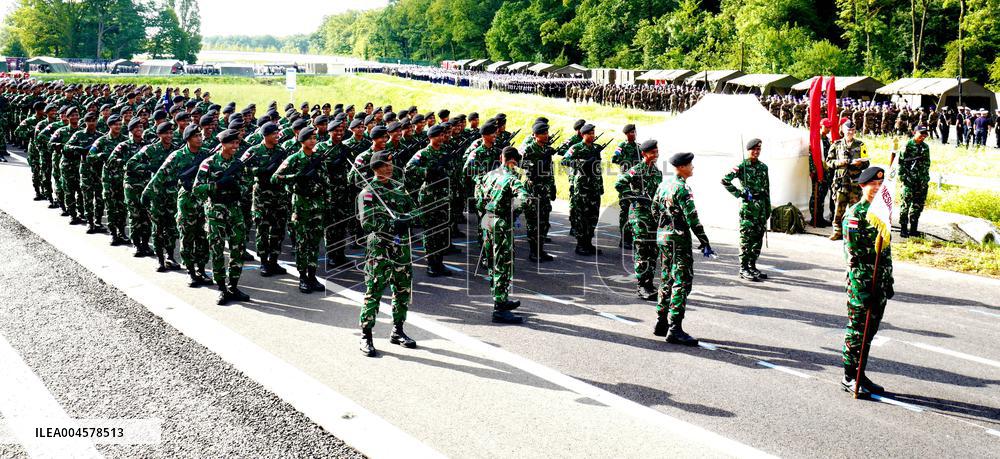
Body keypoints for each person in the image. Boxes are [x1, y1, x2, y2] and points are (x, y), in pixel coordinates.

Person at [357, 150, 418, 357]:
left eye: (391, 164)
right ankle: (366, 335)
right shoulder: (367, 192)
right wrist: (392, 223)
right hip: (380, 249)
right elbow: (367, 223)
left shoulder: (399, 189)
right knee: (374, 291)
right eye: (385, 165)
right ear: (375, 168)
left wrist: (407, 219)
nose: (389, 168)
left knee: (402, 290)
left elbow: (415, 211)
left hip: (401, 249)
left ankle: (397, 330)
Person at [840, 166, 894, 397]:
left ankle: (861, 373)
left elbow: (886, 251)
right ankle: (849, 376)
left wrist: (888, 279)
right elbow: (853, 255)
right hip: (861, 284)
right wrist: (863, 288)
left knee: (869, 332)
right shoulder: (855, 214)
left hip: (878, 283)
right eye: (873, 185)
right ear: (863, 186)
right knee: (857, 331)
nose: (877, 188)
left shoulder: (881, 214)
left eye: (881, 185)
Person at [652, 152, 713, 346]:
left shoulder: (663, 185)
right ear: (682, 167)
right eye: (690, 164)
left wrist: (665, 226)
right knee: (681, 281)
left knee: (666, 278)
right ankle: (675, 328)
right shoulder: (682, 189)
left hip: (663, 237)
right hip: (678, 241)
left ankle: (661, 321)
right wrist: (704, 240)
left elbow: (654, 209)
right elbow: (692, 218)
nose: (692, 167)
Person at [193, 129, 251, 305]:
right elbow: (197, 189)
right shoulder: (209, 163)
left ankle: (233, 285)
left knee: (238, 248)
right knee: (217, 250)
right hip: (215, 211)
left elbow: (248, 185)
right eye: (232, 143)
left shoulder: (239, 164)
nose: (235, 146)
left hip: (234, 210)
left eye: (237, 143)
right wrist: (217, 185)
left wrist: (237, 188)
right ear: (223, 144)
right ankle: (222, 289)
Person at [476, 147, 531, 324]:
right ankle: (499, 308)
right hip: (501, 223)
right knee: (503, 264)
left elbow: (478, 196)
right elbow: (524, 199)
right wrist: (513, 213)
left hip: (486, 220)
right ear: (513, 161)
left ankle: (500, 298)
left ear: (501, 157)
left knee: (492, 261)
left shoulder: (490, 175)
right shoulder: (512, 179)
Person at [271, 126, 329, 293]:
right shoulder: (294, 159)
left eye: (314, 138)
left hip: (317, 205)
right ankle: (303, 277)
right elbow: (276, 178)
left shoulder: (318, 157)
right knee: (303, 243)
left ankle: (312, 275)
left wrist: (327, 202)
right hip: (301, 204)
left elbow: (325, 181)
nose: (313, 141)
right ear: (301, 140)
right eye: (309, 138)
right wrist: (296, 177)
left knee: (314, 242)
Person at [403, 123, 454, 277]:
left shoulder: (446, 152)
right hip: (429, 197)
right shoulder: (423, 153)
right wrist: (427, 172)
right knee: (430, 232)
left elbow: (451, 170)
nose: (441, 138)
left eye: (442, 135)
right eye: (438, 135)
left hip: (444, 195)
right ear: (431, 137)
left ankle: (440, 262)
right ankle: (431, 264)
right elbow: (409, 169)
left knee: (442, 230)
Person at [614, 139, 661, 300]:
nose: (656, 155)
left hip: (653, 217)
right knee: (642, 251)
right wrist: (634, 195)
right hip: (639, 216)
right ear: (644, 154)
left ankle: (649, 283)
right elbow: (619, 183)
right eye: (652, 152)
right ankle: (641, 286)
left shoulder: (657, 172)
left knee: (653, 251)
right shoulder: (636, 170)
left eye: (657, 151)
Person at [242, 122, 290, 275]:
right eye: (274, 133)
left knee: (278, 229)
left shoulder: (281, 151)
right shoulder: (254, 151)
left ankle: (274, 261)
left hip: (279, 195)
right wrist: (260, 171)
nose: (277, 136)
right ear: (266, 135)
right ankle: (263, 262)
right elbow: (241, 168)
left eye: (278, 133)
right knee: (262, 229)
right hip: (261, 196)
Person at [721, 138, 771, 281]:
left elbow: (767, 188)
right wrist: (740, 193)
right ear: (748, 150)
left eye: (758, 149)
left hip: (761, 206)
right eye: (753, 149)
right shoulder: (741, 166)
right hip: (748, 208)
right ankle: (743, 268)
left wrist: (767, 207)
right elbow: (725, 180)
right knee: (746, 238)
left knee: (758, 238)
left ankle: (752, 265)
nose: (756, 152)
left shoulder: (763, 167)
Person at [138, 123, 181, 272]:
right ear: (159, 135)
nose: (169, 136)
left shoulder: (176, 150)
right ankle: (160, 260)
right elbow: (131, 164)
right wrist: (148, 169)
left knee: (171, 227)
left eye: (171, 133)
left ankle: (170, 256)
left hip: (172, 193)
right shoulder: (151, 149)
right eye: (165, 133)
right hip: (156, 193)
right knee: (158, 228)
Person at [562, 123, 605, 256]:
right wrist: (582, 163)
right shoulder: (576, 148)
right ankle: (580, 244)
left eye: (593, 133)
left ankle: (588, 243)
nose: (592, 135)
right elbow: (564, 160)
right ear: (583, 134)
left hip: (594, 187)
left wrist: (601, 185)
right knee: (582, 217)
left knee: (593, 216)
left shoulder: (596, 148)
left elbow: (598, 169)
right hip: (581, 188)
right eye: (590, 133)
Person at [826, 121, 869, 241]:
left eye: (852, 130)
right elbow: (828, 162)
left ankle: (851, 233)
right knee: (838, 208)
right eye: (848, 130)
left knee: (854, 210)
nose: (850, 132)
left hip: (855, 183)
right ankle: (837, 231)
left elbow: (867, 163)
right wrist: (840, 163)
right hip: (841, 182)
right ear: (843, 130)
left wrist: (860, 164)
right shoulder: (836, 144)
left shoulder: (861, 145)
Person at [519, 122, 556, 262]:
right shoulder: (528, 150)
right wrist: (538, 163)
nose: (546, 135)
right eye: (543, 133)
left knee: (544, 222)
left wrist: (553, 187)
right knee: (534, 223)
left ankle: (541, 250)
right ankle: (534, 252)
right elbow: (522, 166)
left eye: (547, 133)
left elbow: (550, 172)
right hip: (533, 191)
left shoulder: (547, 149)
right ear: (535, 135)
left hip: (545, 191)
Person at [893, 126, 931, 238]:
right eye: (921, 134)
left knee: (918, 205)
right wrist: (904, 179)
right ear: (915, 132)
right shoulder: (907, 146)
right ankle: (903, 228)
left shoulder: (925, 147)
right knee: (905, 204)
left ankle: (913, 229)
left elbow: (927, 164)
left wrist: (925, 178)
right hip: (909, 182)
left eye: (925, 134)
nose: (923, 136)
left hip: (922, 181)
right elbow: (900, 164)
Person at [611, 124, 640, 249]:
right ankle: (624, 239)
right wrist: (625, 162)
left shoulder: (639, 147)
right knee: (625, 210)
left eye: (635, 132)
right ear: (626, 134)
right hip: (625, 181)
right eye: (631, 132)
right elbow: (614, 158)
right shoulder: (622, 146)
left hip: (636, 181)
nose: (633, 134)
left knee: (634, 211)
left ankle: (632, 237)